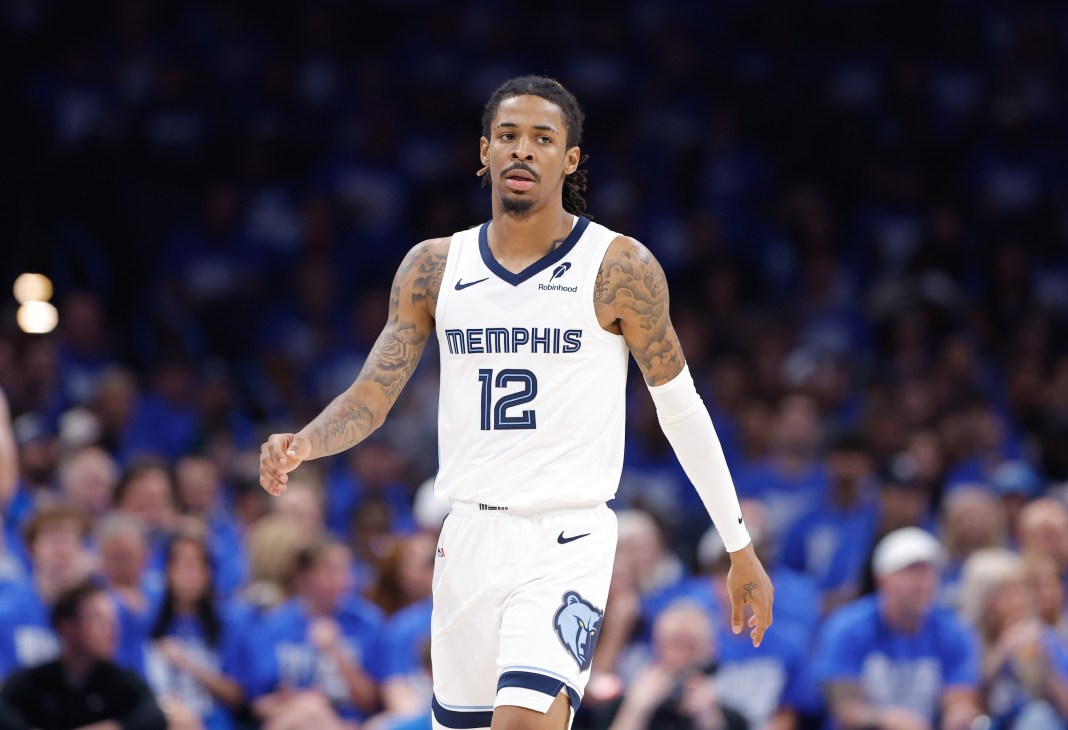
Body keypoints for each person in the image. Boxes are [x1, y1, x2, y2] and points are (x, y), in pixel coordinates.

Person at [259, 74, 773, 730]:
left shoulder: (619, 267)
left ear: (570, 159)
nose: (523, 150)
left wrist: (737, 545)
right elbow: (371, 394)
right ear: (484, 153)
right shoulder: (434, 267)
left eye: (542, 138)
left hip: (566, 533)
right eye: (508, 136)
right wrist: (306, 441)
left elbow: (681, 409)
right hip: (468, 535)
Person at [813, 527, 981, 730]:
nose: (923, 582)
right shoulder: (848, 628)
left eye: (930, 572)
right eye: (911, 572)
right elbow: (844, 708)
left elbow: (959, 697)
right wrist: (888, 720)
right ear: (881, 578)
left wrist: (958, 715)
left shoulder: (954, 632)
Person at [0, 579, 167, 730]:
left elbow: (154, 716)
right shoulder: (35, 681)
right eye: (98, 619)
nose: (112, 630)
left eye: (112, 620)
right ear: (67, 627)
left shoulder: (120, 682)